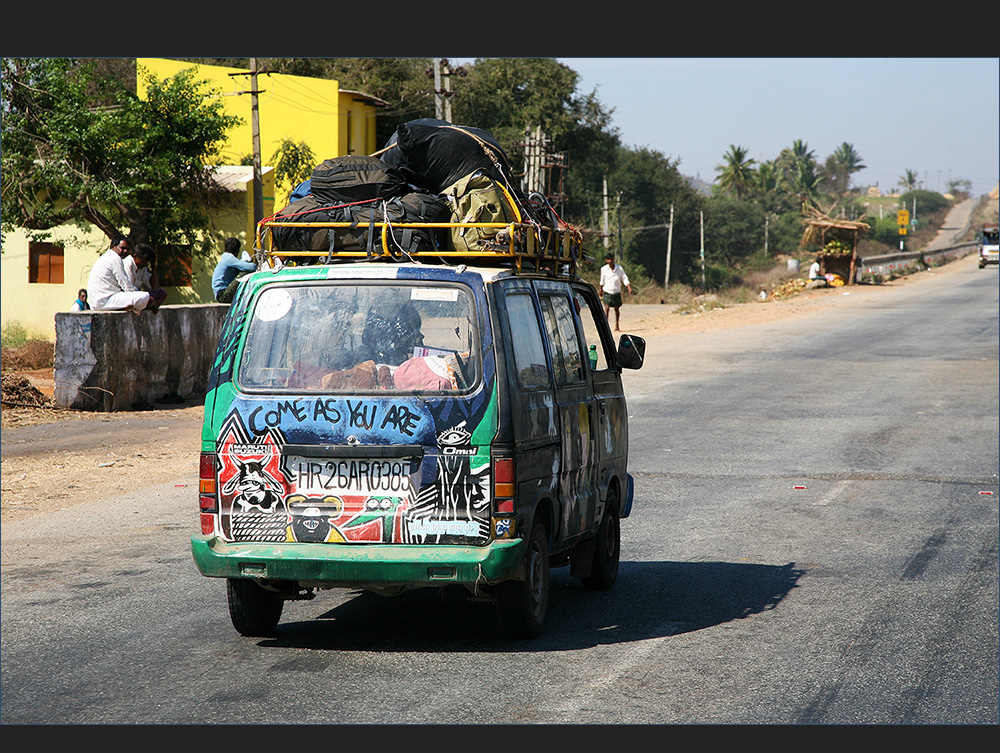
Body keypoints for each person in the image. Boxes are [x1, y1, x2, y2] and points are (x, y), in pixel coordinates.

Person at [86, 234, 155, 313]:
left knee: (146, 296)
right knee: (145, 296)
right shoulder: (115, 258)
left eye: (127, 249)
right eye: (122, 248)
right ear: (113, 246)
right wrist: (145, 297)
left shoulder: (108, 257)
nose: (125, 251)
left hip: (100, 301)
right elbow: (126, 286)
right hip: (104, 301)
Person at [212, 237, 257, 303]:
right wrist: (248, 261)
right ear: (237, 251)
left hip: (220, 293)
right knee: (244, 273)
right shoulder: (229, 259)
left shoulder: (225, 257)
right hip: (223, 295)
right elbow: (252, 267)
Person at [124, 243, 168, 309]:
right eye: (144, 261)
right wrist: (145, 297)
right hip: (127, 296)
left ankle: (147, 306)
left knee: (161, 293)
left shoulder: (142, 268)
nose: (145, 264)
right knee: (144, 297)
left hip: (137, 297)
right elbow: (128, 289)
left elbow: (152, 285)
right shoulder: (127, 265)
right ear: (135, 256)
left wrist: (153, 267)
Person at [599, 252, 633, 331]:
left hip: (616, 291)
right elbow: (602, 281)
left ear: (613, 259)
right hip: (607, 290)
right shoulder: (604, 269)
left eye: (611, 259)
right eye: (608, 259)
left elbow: (624, 278)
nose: (610, 261)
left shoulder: (619, 268)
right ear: (606, 260)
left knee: (616, 309)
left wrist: (628, 287)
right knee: (606, 308)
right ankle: (606, 326)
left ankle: (617, 325)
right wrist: (600, 290)